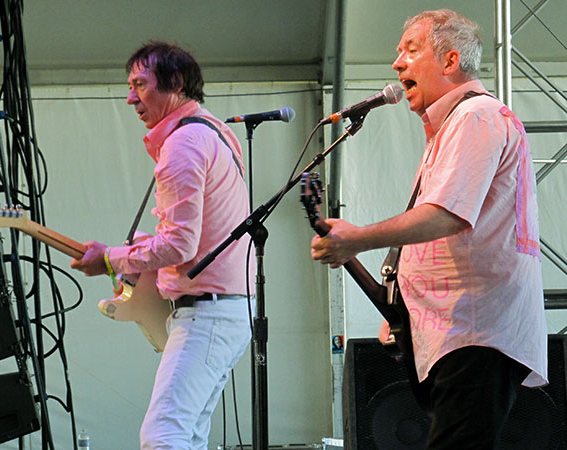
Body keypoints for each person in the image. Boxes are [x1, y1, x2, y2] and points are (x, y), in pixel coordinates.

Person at [311, 9, 547, 450]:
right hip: (457, 332)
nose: (397, 63)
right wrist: (408, 314)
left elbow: (446, 215)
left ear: (450, 60)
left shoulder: (476, 117)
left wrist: (357, 238)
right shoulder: (453, 126)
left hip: (476, 332)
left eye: (410, 50)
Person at [71, 41, 255, 449]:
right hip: (222, 308)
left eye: (140, 84)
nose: (130, 97)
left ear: (175, 82)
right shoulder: (212, 132)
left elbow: (178, 246)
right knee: (187, 435)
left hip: (208, 313)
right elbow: (194, 236)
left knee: (163, 435)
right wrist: (126, 255)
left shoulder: (183, 144)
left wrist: (110, 259)